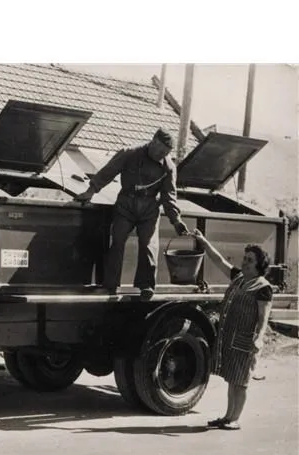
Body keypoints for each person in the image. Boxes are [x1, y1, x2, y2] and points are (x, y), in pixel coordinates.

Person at [73, 129, 189, 299]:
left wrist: (176, 221)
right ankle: (110, 285)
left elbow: (169, 197)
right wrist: (90, 192)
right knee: (117, 243)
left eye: (166, 153)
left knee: (149, 246)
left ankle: (146, 286)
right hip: (126, 205)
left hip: (149, 209)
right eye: (160, 151)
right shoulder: (129, 153)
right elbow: (107, 173)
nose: (162, 155)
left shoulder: (169, 168)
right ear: (153, 141)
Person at [190, 229, 273, 431]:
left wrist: (259, 339)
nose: (245, 262)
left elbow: (264, 318)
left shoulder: (263, 287)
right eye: (244, 258)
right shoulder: (239, 278)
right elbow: (219, 261)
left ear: (259, 265)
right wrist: (203, 241)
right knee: (232, 379)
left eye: (250, 260)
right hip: (231, 338)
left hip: (247, 341)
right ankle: (227, 416)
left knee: (241, 382)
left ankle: (235, 418)